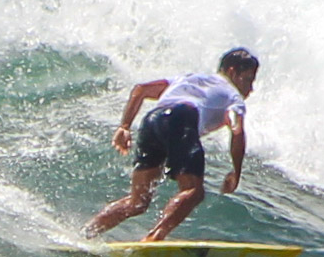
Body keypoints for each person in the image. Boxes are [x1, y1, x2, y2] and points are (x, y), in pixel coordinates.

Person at [83, 47, 258, 241]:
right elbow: (237, 130)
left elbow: (141, 90)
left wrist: (124, 126)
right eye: (248, 80)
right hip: (182, 117)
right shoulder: (232, 95)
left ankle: (87, 233)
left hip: (152, 120)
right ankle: (154, 237)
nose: (250, 89)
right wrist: (236, 172)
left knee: (137, 202)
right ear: (232, 71)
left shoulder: (188, 79)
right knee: (193, 191)